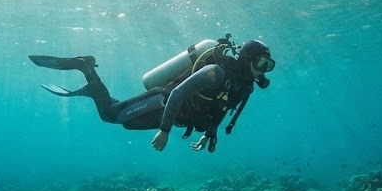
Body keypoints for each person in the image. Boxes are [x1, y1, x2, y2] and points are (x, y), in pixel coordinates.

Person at [30, 37, 274, 152]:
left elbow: (221, 109)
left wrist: (210, 134)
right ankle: (87, 70)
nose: (264, 70)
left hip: (171, 116)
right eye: (263, 63)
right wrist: (165, 130)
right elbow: (178, 92)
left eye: (268, 66)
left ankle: (94, 89)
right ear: (248, 59)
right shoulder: (215, 72)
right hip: (163, 102)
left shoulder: (245, 87)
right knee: (110, 116)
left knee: (124, 122)